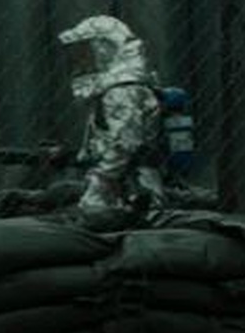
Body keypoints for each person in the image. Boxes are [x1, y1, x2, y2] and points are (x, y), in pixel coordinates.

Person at [56, 14, 168, 222]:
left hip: (131, 187)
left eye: (86, 51)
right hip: (121, 182)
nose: (82, 60)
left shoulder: (122, 90)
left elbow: (125, 144)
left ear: (104, 48)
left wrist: (101, 182)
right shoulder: (119, 88)